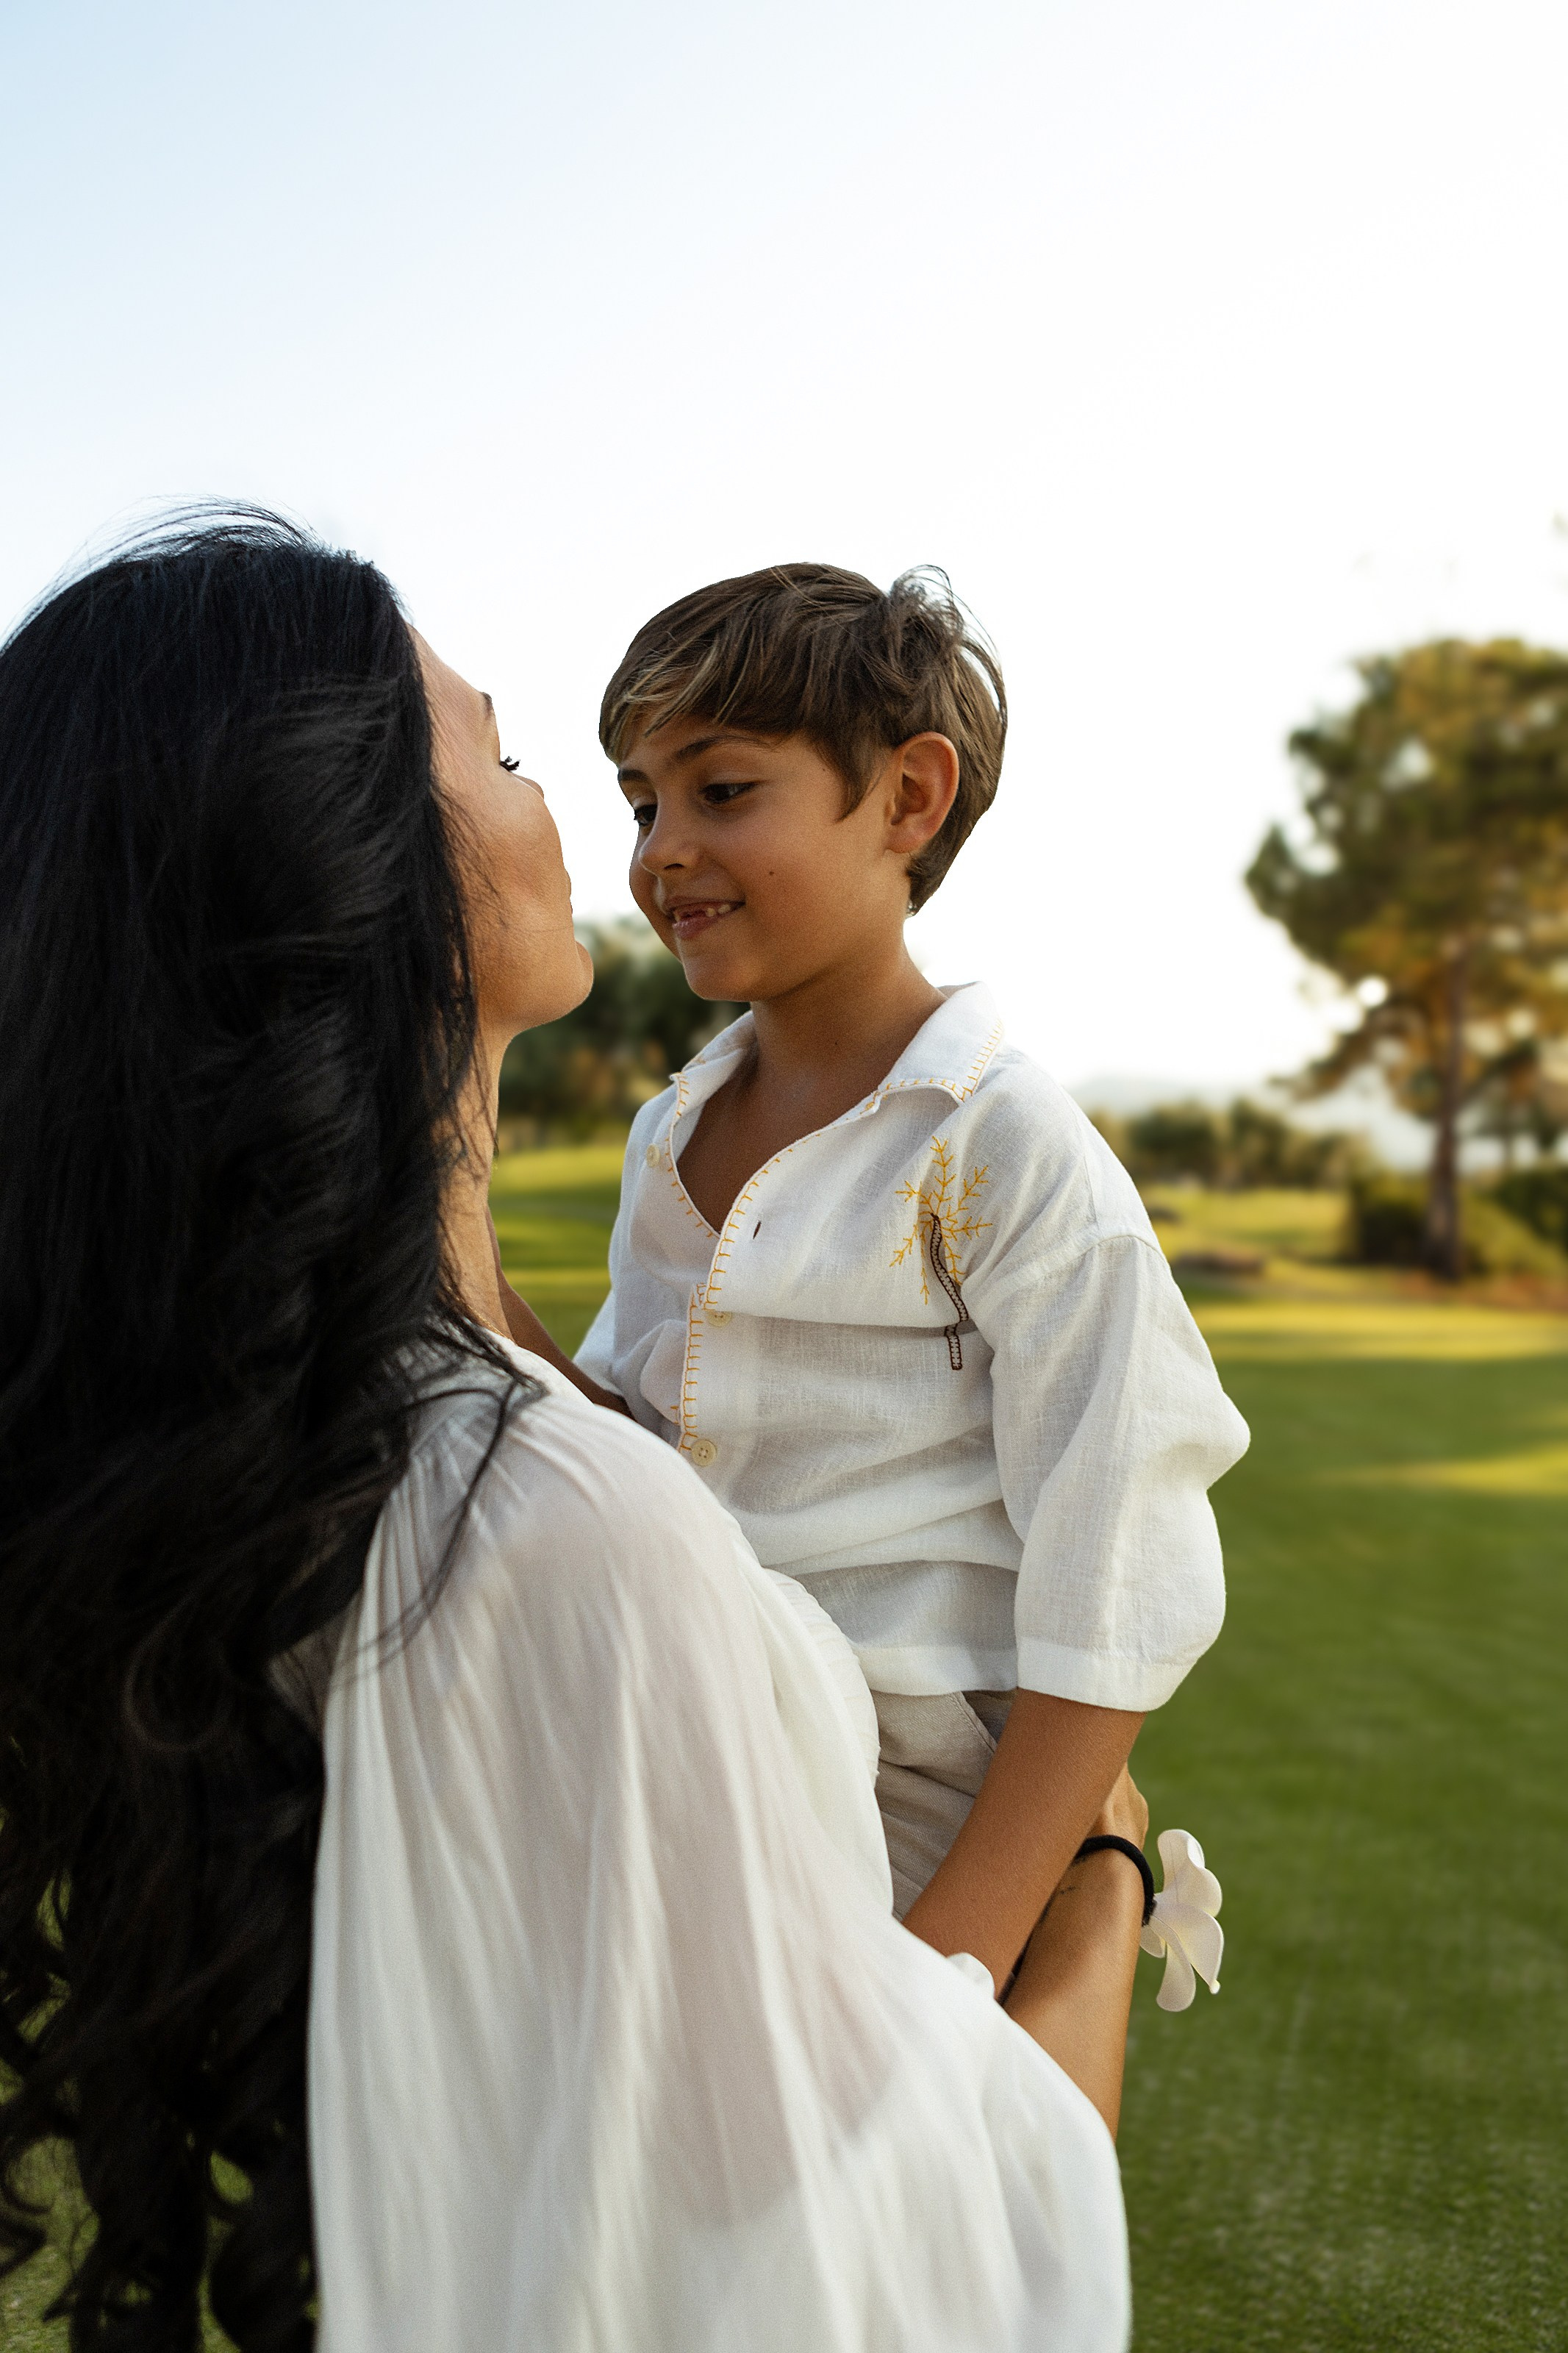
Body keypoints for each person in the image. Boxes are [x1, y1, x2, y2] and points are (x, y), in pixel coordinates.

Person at [0, 514, 1150, 2353]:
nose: (631, 843)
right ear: (372, 856)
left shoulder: (321, 1445)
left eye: (715, 785)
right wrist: (1101, 1883)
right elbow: (923, 2261)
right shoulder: (546, 1527)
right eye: (528, 760)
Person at [579, 563, 1250, 1986]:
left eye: (721, 790)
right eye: (641, 802)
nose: (659, 852)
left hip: (910, 1812)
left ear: (907, 799)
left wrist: (963, 1947)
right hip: (694, 1744)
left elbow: (1119, 1554)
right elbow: (621, 1443)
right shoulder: (672, 1133)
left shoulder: (1002, 1145)